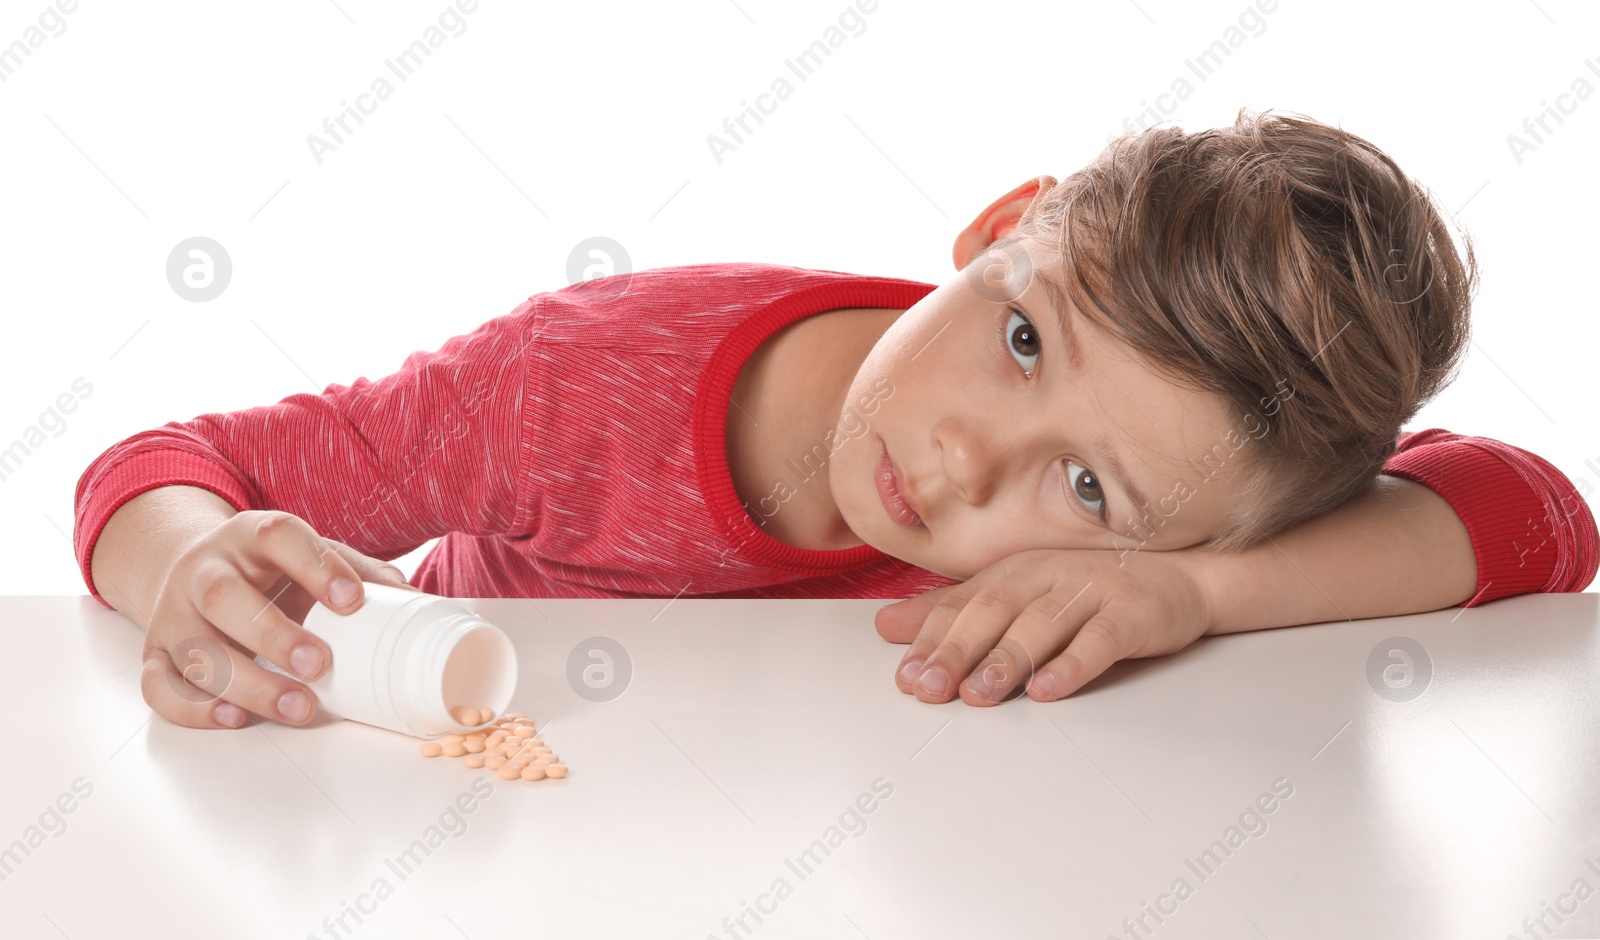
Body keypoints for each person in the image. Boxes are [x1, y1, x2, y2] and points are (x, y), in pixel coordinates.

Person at [74, 109, 1598, 730]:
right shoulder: (571, 390)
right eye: (1019, 339)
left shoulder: (1205, 490)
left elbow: (1538, 514)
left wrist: (1191, 589)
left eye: (1084, 487)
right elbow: (171, 469)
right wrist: (186, 566)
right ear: (1005, 221)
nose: (956, 467)